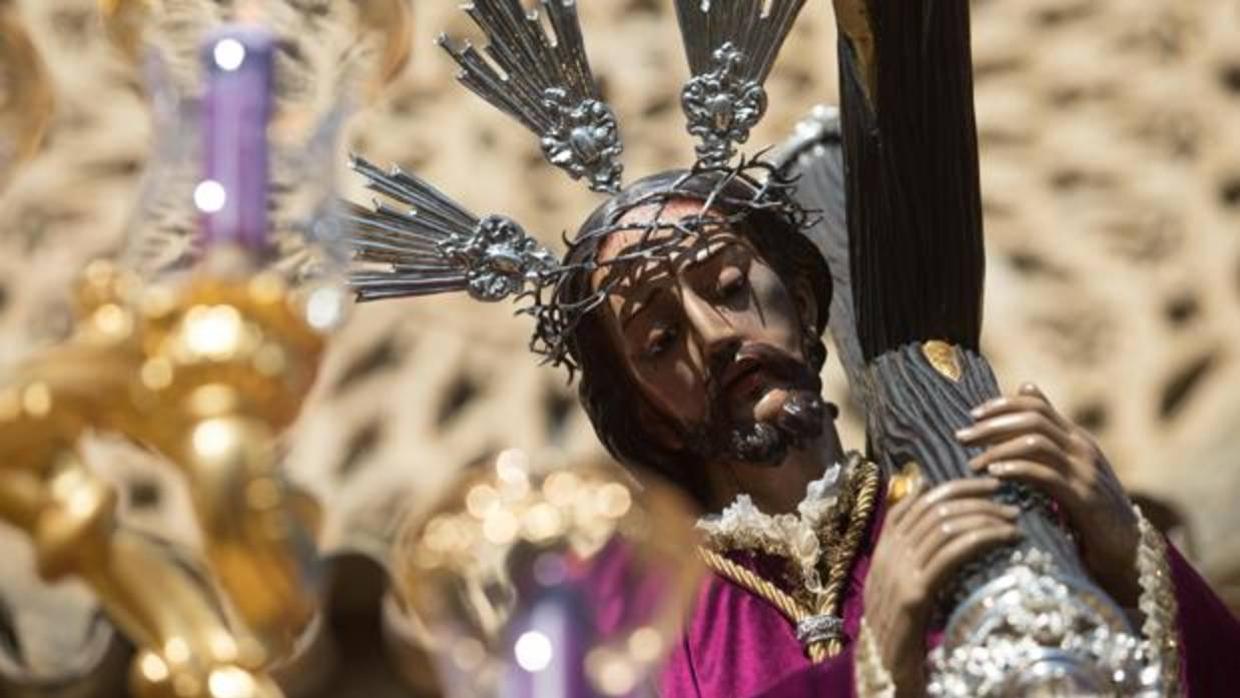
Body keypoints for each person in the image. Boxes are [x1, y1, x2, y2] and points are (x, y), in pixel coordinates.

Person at [343, 0, 1240, 695]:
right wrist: (874, 656)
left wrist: (1125, 550)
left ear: (808, 305)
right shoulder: (641, 613)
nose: (712, 336)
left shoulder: (968, 495)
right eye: (657, 340)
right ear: (647, 419)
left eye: (731, 288)